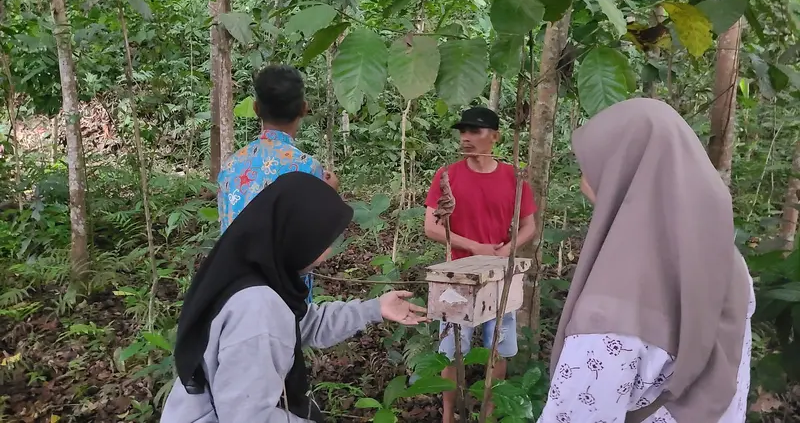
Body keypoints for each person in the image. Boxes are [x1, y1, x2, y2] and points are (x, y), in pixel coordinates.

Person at [539, 98, 754, 423]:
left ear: (627, 173)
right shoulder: (729, 262)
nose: (584, 177)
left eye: (595, 165)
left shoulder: (608, 314)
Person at [162, 172, 428, 422]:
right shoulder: (257, 309)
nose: (329, 251)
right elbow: (247, 417)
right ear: (297, 235)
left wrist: (375, 308)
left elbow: (300, 323)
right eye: (323, 239)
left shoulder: (247, 273)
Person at [423, 106, 538, 423]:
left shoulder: (514, 177)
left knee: (497, 346)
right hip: (455, 277)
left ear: (495, 137)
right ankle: (448, 414)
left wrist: (507, 249)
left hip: (499, 276)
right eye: (463, 131)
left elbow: (530, 225)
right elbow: (431, 227)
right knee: (450, 348)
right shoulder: (448, 175)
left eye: (475, 131)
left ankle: (488, 412)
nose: (466, 138)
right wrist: (475, 247)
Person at [217, 64, 337, 304]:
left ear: (256, 108)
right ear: (303, 108)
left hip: (235, 293)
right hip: (284, 298)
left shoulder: (232, 165)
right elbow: (313, 247)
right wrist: (329, 193)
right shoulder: (307, 167)